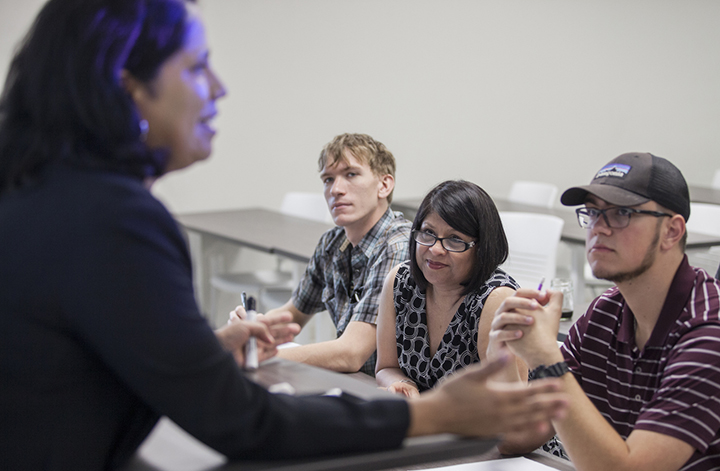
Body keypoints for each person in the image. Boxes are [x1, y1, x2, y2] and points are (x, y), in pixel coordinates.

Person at [0, 1, 569, 469]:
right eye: (197, 67)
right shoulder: (114, 220)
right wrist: (437, 414)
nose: (218, 88)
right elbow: (244, 421)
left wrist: (192, 355)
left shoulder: (45, 198)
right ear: (130, 88)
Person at [491, 152, 720, 470]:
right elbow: (516, 439)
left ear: (672, 231)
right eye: (593, 213)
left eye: (621, 213)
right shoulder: (604, 313)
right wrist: (504, 352)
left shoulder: (709, 334)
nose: (599, 228)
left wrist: (547, 359)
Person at [264, 133, 412, 376]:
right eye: (328, 179)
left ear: (384, 185)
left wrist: (261, 355)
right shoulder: (332, 242)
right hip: (356, 382)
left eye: (351, 174)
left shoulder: (397, 246)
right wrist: (251, 330)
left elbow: (351, 354)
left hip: (394, 391)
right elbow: (292, 315)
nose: (336, 189)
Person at [376, 180, 523, 397]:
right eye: (428, 232)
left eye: (454, 239)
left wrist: (431, 412)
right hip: (425, 422)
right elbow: (386, 367)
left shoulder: (496, 300)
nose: (435, 249)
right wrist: (403, 384)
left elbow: (509, 405)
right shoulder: (401, 282)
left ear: (482, 248)